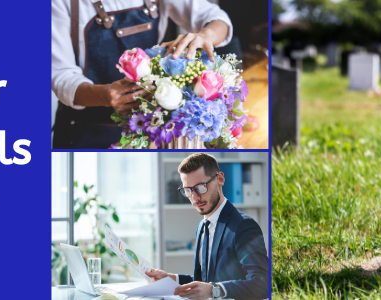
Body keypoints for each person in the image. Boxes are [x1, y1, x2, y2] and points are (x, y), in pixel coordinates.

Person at [51, 0, 234, 148]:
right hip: (84, 132)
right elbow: (61, 75)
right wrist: (106, 95)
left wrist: (206, 35)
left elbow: (217, 18)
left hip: (147, 129)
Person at [145, 153, 268, 300]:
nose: (195, 197)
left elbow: (263, 283)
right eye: (188, 190)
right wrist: (171, 278)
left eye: (201, 187)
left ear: (220, 179)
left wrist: (214, 290)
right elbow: (206, 281)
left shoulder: (243, 225)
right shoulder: (202, 227)